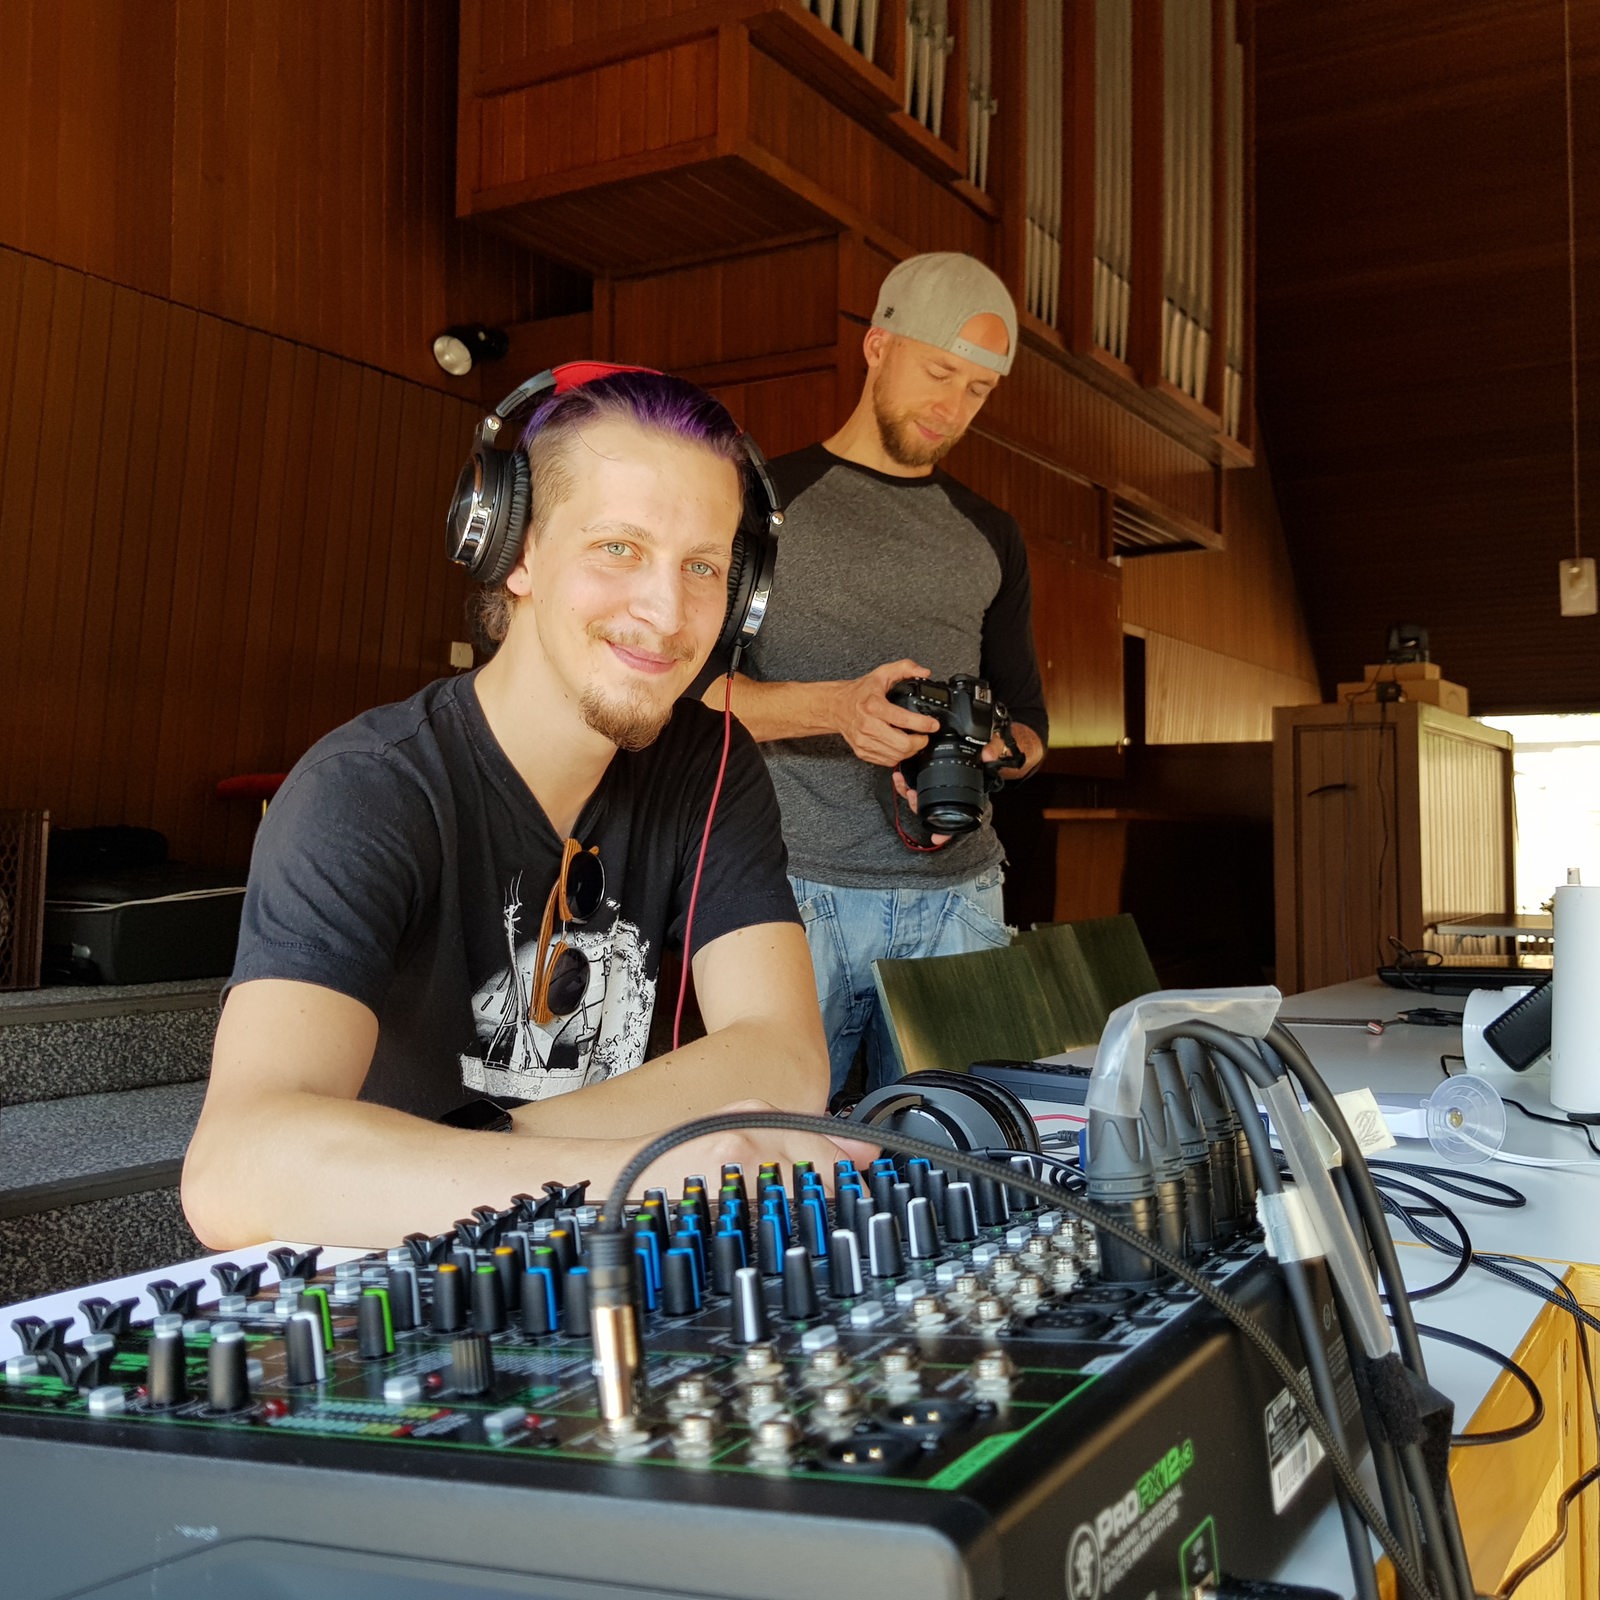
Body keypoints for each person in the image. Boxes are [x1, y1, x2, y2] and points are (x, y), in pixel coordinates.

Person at [183, 366, 870, 1251]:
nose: (666, 613)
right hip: (393, 1278)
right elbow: (236, 1168)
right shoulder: (367, 788)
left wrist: (510, 1148)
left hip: (584, 1244)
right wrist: (631, 1169)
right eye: (618, 547)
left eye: (703, 566)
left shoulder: (710, 760)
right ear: (515, 552)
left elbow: (784, 1055)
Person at [702, 253, 1049, 1096]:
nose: (952, 406)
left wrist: (984, 753)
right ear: (877, 346)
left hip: (961, 898)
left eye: (977, 390)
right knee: (779, 1153)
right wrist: (840, 708)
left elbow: (1033, 727)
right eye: (939, 372)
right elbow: (690, 694)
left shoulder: (990, 532)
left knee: (965, 1158)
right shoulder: (762, 501)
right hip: (790, 895)